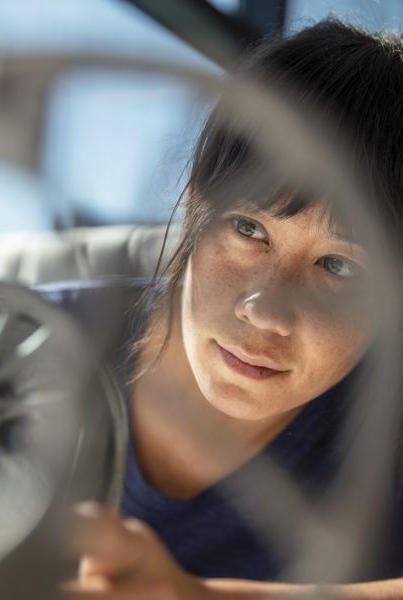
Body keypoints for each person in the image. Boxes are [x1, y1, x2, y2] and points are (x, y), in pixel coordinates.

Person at [59, 19, 403, 599]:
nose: (265, 311)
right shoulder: (20, 348)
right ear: (196, 207)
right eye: (247, 228)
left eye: (340, 266)